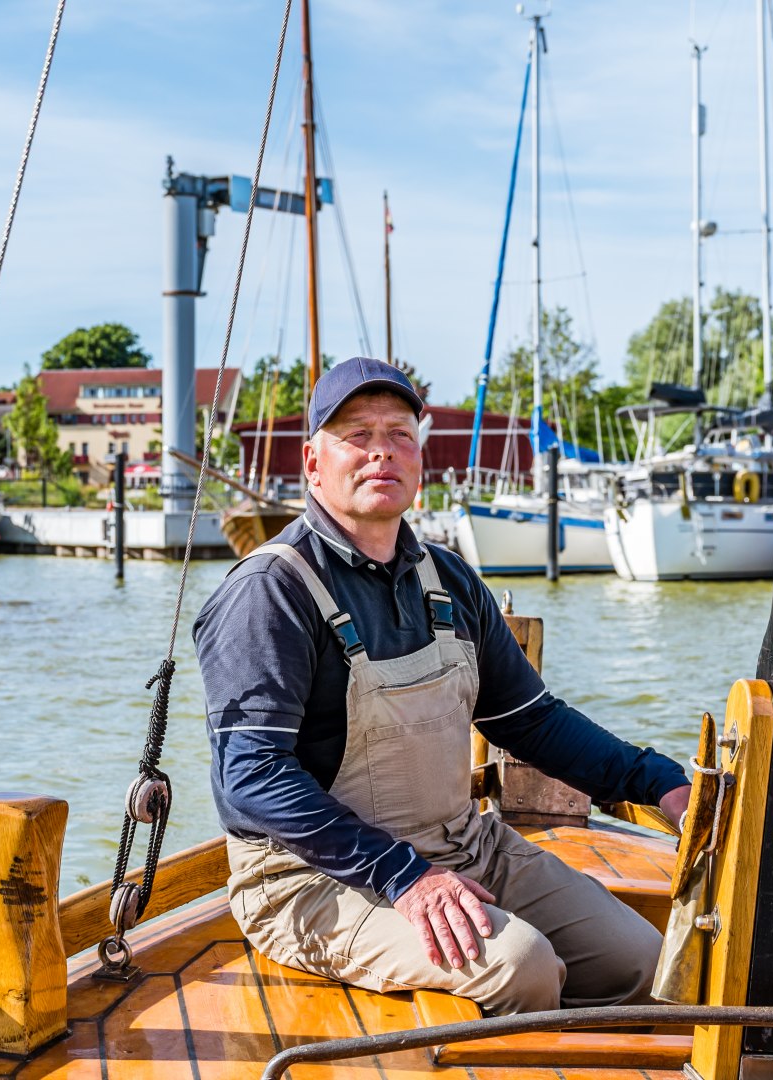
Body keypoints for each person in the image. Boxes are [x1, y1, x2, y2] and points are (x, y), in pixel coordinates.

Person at [194, 357, 692, 1016]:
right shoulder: (270, 592)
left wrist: (656, 780)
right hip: (312, 878)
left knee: (645, 961)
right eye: (357, 434)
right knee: (521, 969)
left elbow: (530, 722)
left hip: (462, 845)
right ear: (313, 463)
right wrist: (406, 877)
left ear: (420, 458)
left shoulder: (448, 580)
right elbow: (250, 776)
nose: (381, 452)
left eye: (400, 434)